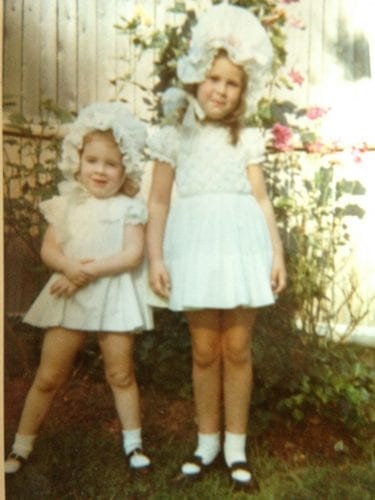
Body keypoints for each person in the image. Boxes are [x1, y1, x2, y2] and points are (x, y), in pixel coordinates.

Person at [146, 3, 287, 491]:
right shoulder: (174, 133)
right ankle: (206, 441)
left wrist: (277, 254)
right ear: (194, 78)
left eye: (231, 82)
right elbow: (159, 203)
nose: (220, 89)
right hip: (197, 248)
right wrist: (157, 256)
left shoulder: (245, 137)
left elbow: (262, 201)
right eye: (212, 78)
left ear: (243, 89)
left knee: (237, 346)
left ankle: (235, 446)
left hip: (242, 246)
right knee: (205, 349)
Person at [5, 102, 153, 475]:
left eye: (111, 163)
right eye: (92, 160)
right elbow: (49, 250)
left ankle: (133, 445)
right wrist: (69, 267)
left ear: (126, 169)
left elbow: (133, 254)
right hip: (68, 296)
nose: (100, 171)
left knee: (120, 374)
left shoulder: (129, 208)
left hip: (113, 295)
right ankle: (21, 446)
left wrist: (88, 271)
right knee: (48, 376)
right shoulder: (67, 204)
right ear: (78, 160)